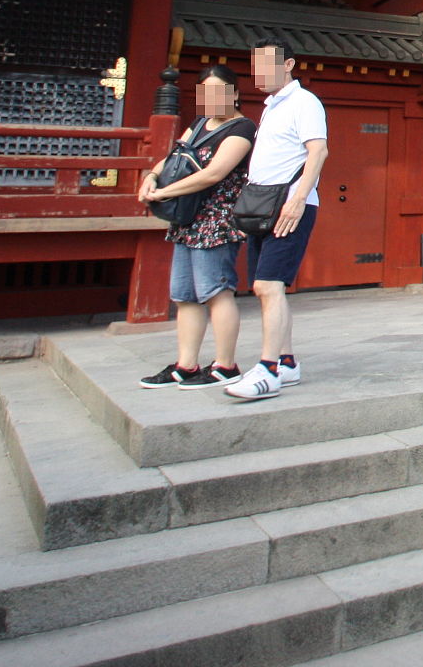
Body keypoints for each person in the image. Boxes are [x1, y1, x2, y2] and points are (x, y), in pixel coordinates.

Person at [136, 65, 255, 389]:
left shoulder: (242, 128)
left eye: (219, 91)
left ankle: (225, 365)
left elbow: (214, 173)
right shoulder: (199, 124)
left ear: (233, 93)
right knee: (185, 296)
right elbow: (174, 157)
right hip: (188, 220)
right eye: (206, 91)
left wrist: (164, 192)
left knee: (216, 292)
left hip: (216, 222)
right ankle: (186, 365)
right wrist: (150, 177)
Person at [225, 39, 329, 403]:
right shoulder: (270, 108)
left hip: (289, 206)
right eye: (255, 65)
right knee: (264, 287)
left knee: (269, 285)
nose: (260, 72)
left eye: (268, 64)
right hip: (263, 205)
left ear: (288, 65)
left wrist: (298, 200)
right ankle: (286, 362)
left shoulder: (304, 102)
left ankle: (267, 370)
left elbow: (318, 150)